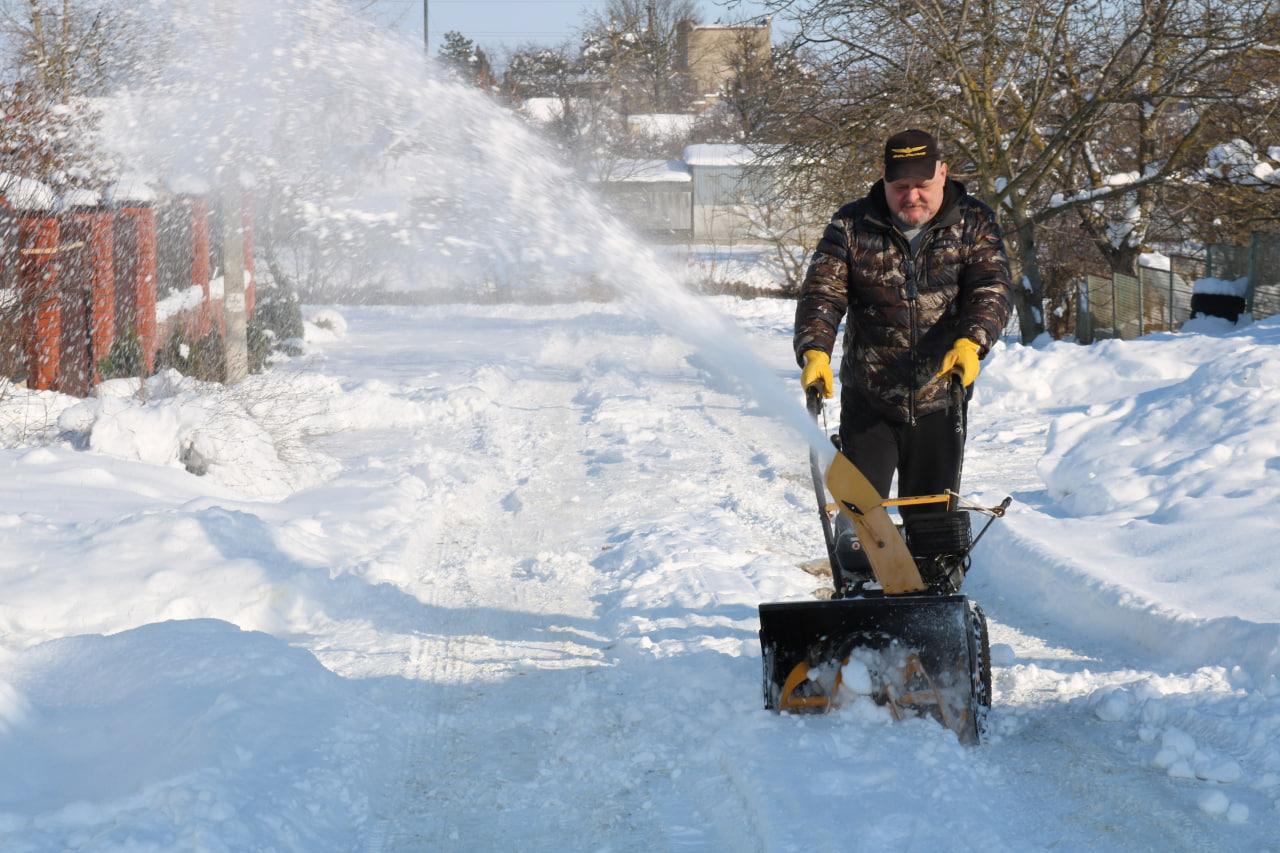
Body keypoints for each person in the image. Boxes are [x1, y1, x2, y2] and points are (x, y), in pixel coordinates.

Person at [794, 129, 1014, 548]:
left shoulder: (974, 222)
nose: (912, 196)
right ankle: (859, 597)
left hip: (940, 399)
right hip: (870, 402)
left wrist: (972, 343)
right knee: (861, 526)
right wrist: (814, 351)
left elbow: (992, 287)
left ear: (943, 174)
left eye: (922, 185)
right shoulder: (851, 226)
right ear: (883, 178)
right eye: (901, 186)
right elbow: (823, 293)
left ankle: (931, 599)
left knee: (932, 528)